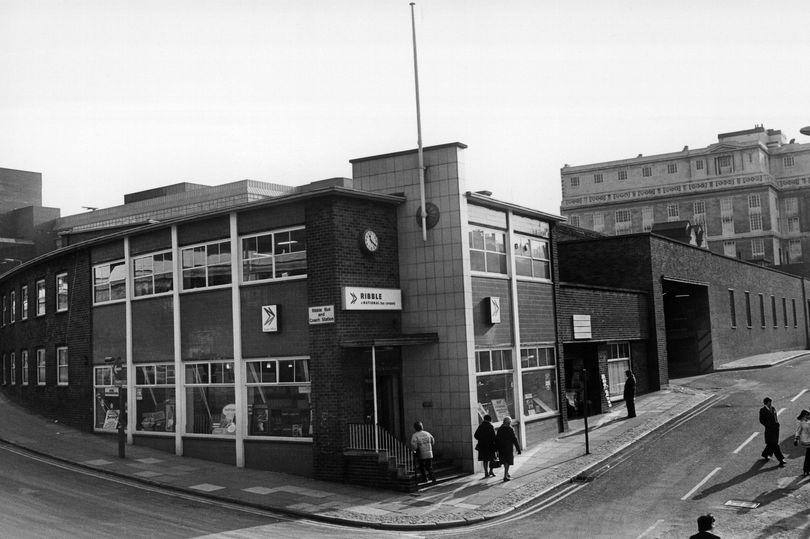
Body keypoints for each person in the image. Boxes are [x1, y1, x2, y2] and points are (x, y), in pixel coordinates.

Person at [759, 397, 785, 467]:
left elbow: (775, 417)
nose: (771, 403)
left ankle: (765, 454)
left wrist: (777, 424)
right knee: (775, 445)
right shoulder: (762, 410)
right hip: (769, 430)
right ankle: (781, 459)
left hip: (776, 429)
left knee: (771, 444)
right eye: (769, 402)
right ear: (766, 403)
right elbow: (761, 420)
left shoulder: (773, 408)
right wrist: (768, 425)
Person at [495, 416, 521, 482]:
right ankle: (505, 476)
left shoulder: (500, 429)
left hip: (501, 449)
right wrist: (518, 449)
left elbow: (497, 439)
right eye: (509, 422)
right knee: (507, 462)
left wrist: (497, 449)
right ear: (507, 422)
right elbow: (514, 439)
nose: (510, 423)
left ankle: (506, 473)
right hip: (508, 448)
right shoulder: (510, 429)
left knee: (504, 461)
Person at [474, 414, 498, 479]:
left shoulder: (480, 426)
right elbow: (494, 437)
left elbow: (475, 435)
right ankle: (491, 471)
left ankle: (486, 472)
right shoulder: (491, 426)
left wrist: (481, 439)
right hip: (490, 446)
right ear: (489, 419)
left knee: (485, 460)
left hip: (482, 446)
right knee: (492, 459)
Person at [794, 409, 810, 477]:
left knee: (808, 455)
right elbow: (798, 431)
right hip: (807, 440)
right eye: (807, 415)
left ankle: (806, 470)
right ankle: (806, 470)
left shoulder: (808, 421)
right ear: (804, 415)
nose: (808, 416)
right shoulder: (801, 422)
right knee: (808, 455)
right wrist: (796, 439)